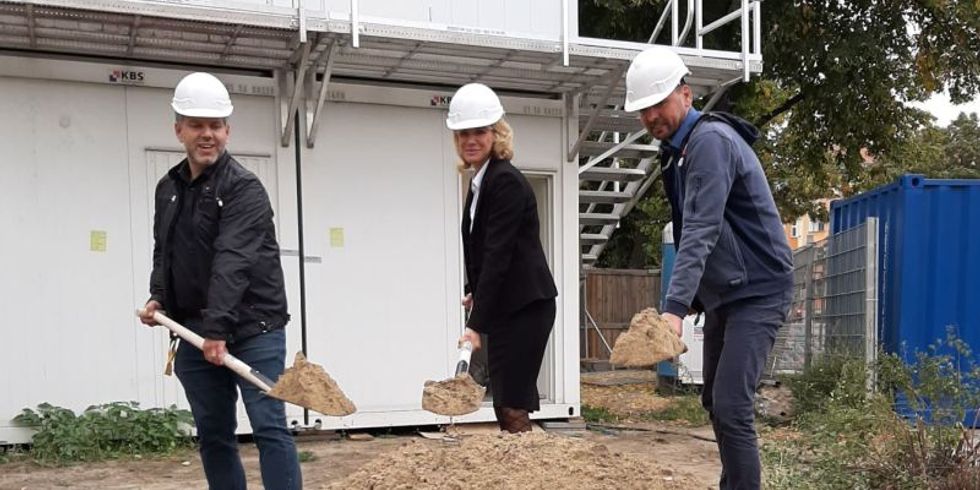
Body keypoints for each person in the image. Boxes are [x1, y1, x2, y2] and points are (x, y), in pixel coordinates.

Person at [624, 46, 794, 490]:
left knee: (732, 404)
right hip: (728, 293)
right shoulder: (677, 151)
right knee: (714, 400)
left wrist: (674, 309)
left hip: (759, 289)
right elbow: (691, 228)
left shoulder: (710, 143)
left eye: (657, 104)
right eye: (643, 110)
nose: (650, 117)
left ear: (686, 93)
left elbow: (702, 227)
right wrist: (697, 298)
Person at [138, 72, 302, 490]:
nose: (206, 135)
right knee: (214, 434)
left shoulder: (244, 188)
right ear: (179, 130)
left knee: (269, 426)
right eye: (196, 125)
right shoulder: (168, 188)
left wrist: (218, 330)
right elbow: (166, 249)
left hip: (254, 328)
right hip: (194, 332)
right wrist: (159, 296)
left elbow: (233, 262)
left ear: (228, 130)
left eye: (215, 126)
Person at [448, 83, 559, 433]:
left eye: (479, 131)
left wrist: (475, 325)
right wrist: (475, 290)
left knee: (511, 401)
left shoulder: (505, 181)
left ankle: (529, 474)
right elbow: (481, 250)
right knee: (504, 400)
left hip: (526, 307)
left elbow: (499, 255)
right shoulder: (482, 182)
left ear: (497, 134)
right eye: (464, 133)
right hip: (510, 307)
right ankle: (521, 469)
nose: (471, 140)